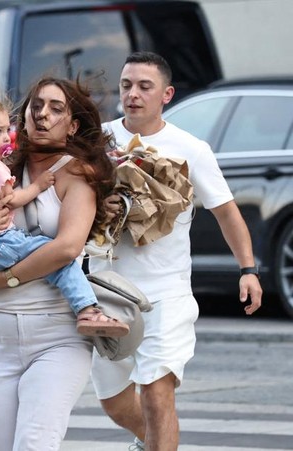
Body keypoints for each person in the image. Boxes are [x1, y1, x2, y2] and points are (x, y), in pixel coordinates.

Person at [89, 51, 263, 451]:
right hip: (106, 290)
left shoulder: (191, 148)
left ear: (166, 94)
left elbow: (227, 212)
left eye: (144, 86)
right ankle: (150, 443)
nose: (133, 94)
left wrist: (248, 269)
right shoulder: (98, 140)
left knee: (156, 391)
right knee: (114, 402)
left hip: (165, 293)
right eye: (126, 85)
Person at [0, 76, 116, 450]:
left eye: (55, 108)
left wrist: (6, 279)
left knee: (34, 442)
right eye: (36, 106)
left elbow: (67, 248)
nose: (42, 114)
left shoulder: (76, 173)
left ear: (73, 125)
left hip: (56, 334)